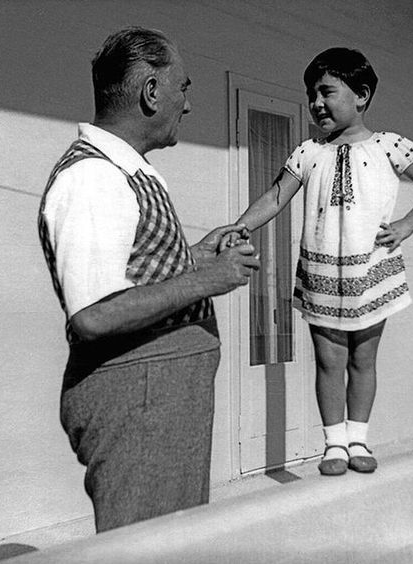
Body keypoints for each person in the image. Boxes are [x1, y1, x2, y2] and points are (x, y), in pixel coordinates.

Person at [38, 27, 259, 532]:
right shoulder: (93, 177)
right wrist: (207, 281)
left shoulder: (126, 171)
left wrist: (194, 257)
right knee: (144, 548)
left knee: (171, 543)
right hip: (139, 399)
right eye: (183, 88)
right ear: (151, 91)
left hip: (159, 396)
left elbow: (133, 272)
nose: (188, 105)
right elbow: (94, 315)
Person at [222, 47, 413, 476]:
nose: (316, 103)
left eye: (327, 92)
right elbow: (275, 197)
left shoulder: (390, 146)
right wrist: (240, 226)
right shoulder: (308, 152)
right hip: (322, 273)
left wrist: (407, 225)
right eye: (312, 94)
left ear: (361, 95)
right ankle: (334, 445)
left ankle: (358, 439)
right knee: (329, 361)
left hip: (371, 270)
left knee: (363, 358)